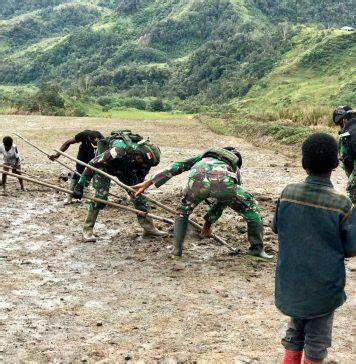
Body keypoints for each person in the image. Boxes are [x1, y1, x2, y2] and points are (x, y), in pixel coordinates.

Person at [272, 133, 356, 364]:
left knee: (294, 333)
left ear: (303, 163)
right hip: (323, 288)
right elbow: (351, 248)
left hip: (291, 283)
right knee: (317, 341)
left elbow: (277, 227)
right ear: (336, 164)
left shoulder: (287, 192)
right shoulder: (342, 203)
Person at [133, 146, 273, 259]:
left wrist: (150, 182)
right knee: (252, 208)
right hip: (223, 182)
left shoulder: (204, 157)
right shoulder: (234, 168)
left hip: (197, 179)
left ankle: (177, 251)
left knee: (183, 211)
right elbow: (223, 202)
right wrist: (207, 224)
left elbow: (177, 166)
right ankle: (257, 250)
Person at [72, 130, 167, 242]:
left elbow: (140, 181)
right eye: (140, 160)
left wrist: (138, 199)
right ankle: (87, 231)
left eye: (144, 163)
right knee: (100, 198)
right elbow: (92, 164)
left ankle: (149, 229)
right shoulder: (118, 150)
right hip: (104, 165)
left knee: (139, 197)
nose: (141, 163)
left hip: (125, 169)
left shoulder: (145, 163)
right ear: (137, 153)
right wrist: (80, 185)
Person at [49, 130, 104, 204]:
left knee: (98, 174)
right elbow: (68, 142)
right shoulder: (84, 135)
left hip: (96, 155)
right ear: (88, 139)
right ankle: (69, 197)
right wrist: (57, 155)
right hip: (83, 153)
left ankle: (100, 197)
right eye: (93, 143)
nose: (95, 144)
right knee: (78, 172)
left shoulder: (103, 140)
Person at [332, 105, 356, 203]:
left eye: (339, 124)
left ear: (343, 120)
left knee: (353, 195)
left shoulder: (350, 133)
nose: (340, 127)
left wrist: (352, 182)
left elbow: (347, 158)